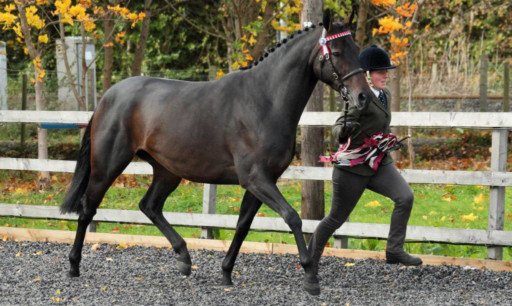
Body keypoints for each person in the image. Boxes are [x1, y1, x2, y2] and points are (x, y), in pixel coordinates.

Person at [309, 45, 422, 270]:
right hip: (353, 168)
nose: (385, 75)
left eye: (386, 71)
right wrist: (342, 132)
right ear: (367, 75)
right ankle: (309, 258)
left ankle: (394, 250)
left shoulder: (385, 94)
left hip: (379, 163)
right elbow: (339, 125)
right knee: (335, 219)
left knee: (405, 197)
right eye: (380, 71)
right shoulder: (359, 96)